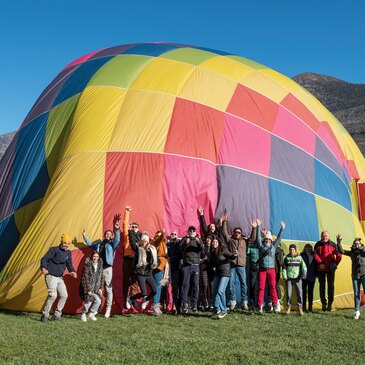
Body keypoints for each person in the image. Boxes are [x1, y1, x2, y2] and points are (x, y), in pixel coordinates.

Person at [82, 214, 121, 318]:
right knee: (96, 287)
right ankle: (96, 309)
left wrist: (117, 230)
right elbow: (90, 244)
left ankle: (108, 309)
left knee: (108, 288)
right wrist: (85, 236)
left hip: (107, 268)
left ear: (111, 236)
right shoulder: (100, 244)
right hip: (98, 268)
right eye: (106, 234)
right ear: (104, 235)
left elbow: (117, 239)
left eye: (110, 234)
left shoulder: (112, 244)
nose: (108, 235)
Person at [40, 233, 77, 322]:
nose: (66, 245)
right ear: (61, 242)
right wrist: (43, 268)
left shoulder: (68, 252)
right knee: (53, 295)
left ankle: (57, 315)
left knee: (64, 295)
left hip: (60, 278)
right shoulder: (54, 250)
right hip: (51, 276)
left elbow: (69, 264)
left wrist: (72, 271)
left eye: (68, 244)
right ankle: (45, 315)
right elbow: (44, 259)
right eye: (65, 243)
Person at [221, 211, 250, 311]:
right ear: (233, 233)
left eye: (239, 232)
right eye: (235, 232)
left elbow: (254, 238)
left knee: (244, 284)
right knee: (231, 284)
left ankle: (244, 301)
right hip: (232, 264)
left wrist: (255, 228)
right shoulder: (230, 240)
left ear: (241, 234)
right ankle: (233, 301)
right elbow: (224, 234)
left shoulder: (244, 241)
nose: (237, 233)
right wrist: (224, 222)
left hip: (242, 265)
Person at [256, 219, 285, 314]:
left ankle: (275, 304)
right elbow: (258, 239)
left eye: (269, 239)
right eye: (266, 239)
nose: (267, 240)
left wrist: (282, 229)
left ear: (271, 240)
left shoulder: (273, 247)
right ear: (264, 239)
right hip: (262, 270)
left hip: (271, 270)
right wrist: (258, 227)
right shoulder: (261, 247)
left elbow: (279, 238)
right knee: (261, 287)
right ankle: (260, 305)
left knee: (273, 286)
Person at [126, 233, 158, 311]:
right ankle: (130, 298)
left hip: (149, 274)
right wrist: (131, 232)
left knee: (154, 291)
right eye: (143, 241)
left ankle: (146, 300)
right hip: (140, 274)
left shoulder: (152, 250)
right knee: (143, 293)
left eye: (146, 241)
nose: (145, 242)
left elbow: (156, 260)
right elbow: (132, 242)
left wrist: (155, 265)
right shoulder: (138, 249)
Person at [337, 235, 365, 319]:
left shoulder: (363, 251)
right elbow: (341, 251)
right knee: (356, 293)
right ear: (353, 245)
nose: (357, 245)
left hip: (364, 275)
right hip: (355, 276)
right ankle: (357, 311)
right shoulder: (352, 253)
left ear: (360, 244)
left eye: (358, 244)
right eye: (355, 244)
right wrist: (338, 242)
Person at [314, 231, 342, 311]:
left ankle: (330, 303)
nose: (324, 237)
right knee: (322, 286)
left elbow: (339, 254)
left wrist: (335, 263)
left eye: (326, 236)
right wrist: (320, 263)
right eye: (323, 236)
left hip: (331, 269)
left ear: (328, 236)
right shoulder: (318, 244)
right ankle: (323, 303)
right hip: (321, 268)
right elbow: (315, 254)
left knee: (331, 286)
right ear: (321, 236)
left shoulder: (333, 244)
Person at [180, 226, 205, 314]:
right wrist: (185, 243)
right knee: (185, 285)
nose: (192, 232)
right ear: (188, 231)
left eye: (193, 230)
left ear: (195, 231)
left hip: (195, 265)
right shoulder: (184, 239)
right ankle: (185, 303)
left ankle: (194, 304)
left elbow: (202, 249)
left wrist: (198, 243)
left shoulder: (198, 239)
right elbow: (180, 249)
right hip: (187, 265)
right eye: (190, 230)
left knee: (195, 285)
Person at [210, 237, 237, 318]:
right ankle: (216, 309)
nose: (214, 243)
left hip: (225, 272)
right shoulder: (212, 252)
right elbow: (212, 262)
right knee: (214, 291)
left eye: (216, 242)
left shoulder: (223, 249)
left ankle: (224, 310)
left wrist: (234, 254)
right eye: (213, 242)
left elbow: (230, 256)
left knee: (220, 291)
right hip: (217, 273)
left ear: (218, 243)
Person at [122, 206, 141, 310]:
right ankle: (125, 298)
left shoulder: (140, 236)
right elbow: (125, 224)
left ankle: (133, 298)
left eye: (135, 227)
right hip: (128, 260)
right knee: (126, 280)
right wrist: (127, 212)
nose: (134, 228)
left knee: (135, 281)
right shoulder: (127, 236)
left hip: (137, 260)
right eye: (132, 226)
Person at [282, 244, 307, 315]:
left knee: (299, 293)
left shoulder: (299, 258)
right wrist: (284, 275)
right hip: (289, 279)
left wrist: (304, 274)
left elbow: (304, 267)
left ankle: (300, 308)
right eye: (290, 249)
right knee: (288, 294)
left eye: (293, 249)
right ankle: (288, 307)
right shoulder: (286, 258)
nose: (292, 251)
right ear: (289, 250)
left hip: (298, 278)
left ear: (295, 250)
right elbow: (284, 268)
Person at [79, 251, 104, 321]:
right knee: (88, 301)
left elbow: (102, 277)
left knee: (98, 301)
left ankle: (91, 314)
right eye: (94, 256)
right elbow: (85, 278)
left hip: (96, 288)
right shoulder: (87, 266)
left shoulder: (100, 266)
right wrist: (88, 290)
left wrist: (100, 288)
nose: (95, 258)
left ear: (99, 258)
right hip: (89, 288)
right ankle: (83, 314)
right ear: (91, 257)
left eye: (97, 257)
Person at [151, 230, 169, 315]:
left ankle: (156, 304)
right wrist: (163, 233)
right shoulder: (155, 242)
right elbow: (160, 238)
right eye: (157, 235)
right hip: (158, 266)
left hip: (164, 266)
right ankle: (155, 304)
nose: (159, 237)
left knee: (160, 286)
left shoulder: (164, 244)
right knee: (157, 286)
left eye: (160, 235)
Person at [167, 231, 182, 314]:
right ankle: (169, 306)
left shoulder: (179, 245)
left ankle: (176, 306)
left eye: (175, 234)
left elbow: (179, 256)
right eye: (172, 234)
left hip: (177, 269)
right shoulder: (167, 245)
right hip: (168, 269)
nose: (173, 235)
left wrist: (170, 259)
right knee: (169, 288)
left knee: (176, 288)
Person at [199, 234, 215, 311]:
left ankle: (211, 302)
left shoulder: (214, 247)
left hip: (212, 269)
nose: (208, 240)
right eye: (207, 238)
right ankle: (205, 302)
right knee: (204, 285)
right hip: (204, 268)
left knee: (211, 285)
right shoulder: (203, 247)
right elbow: (200, 257)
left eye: (209, 238)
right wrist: (204, 259)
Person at [247, 220, 259, 309]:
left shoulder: (260, 245)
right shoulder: (250, 246)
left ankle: (259, 303)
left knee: (260, 286)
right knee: (252, 284)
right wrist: (253, 228)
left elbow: (257, 237)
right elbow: (252, 238)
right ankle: (252, 302)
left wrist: (257, 227)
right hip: (252, 267)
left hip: (261, 267)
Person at [300, 243, 317, 312]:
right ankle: (303, 306)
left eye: (309, 247)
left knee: (310, 292)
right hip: (304, 276)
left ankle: (310, 307)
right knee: (303, 292)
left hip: (311, 276)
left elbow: (316, 265)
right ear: (305, 248)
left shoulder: (314, 255)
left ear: (311, 248)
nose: (308, 248)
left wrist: (316, 274)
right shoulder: (302, 255)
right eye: (306, 247)